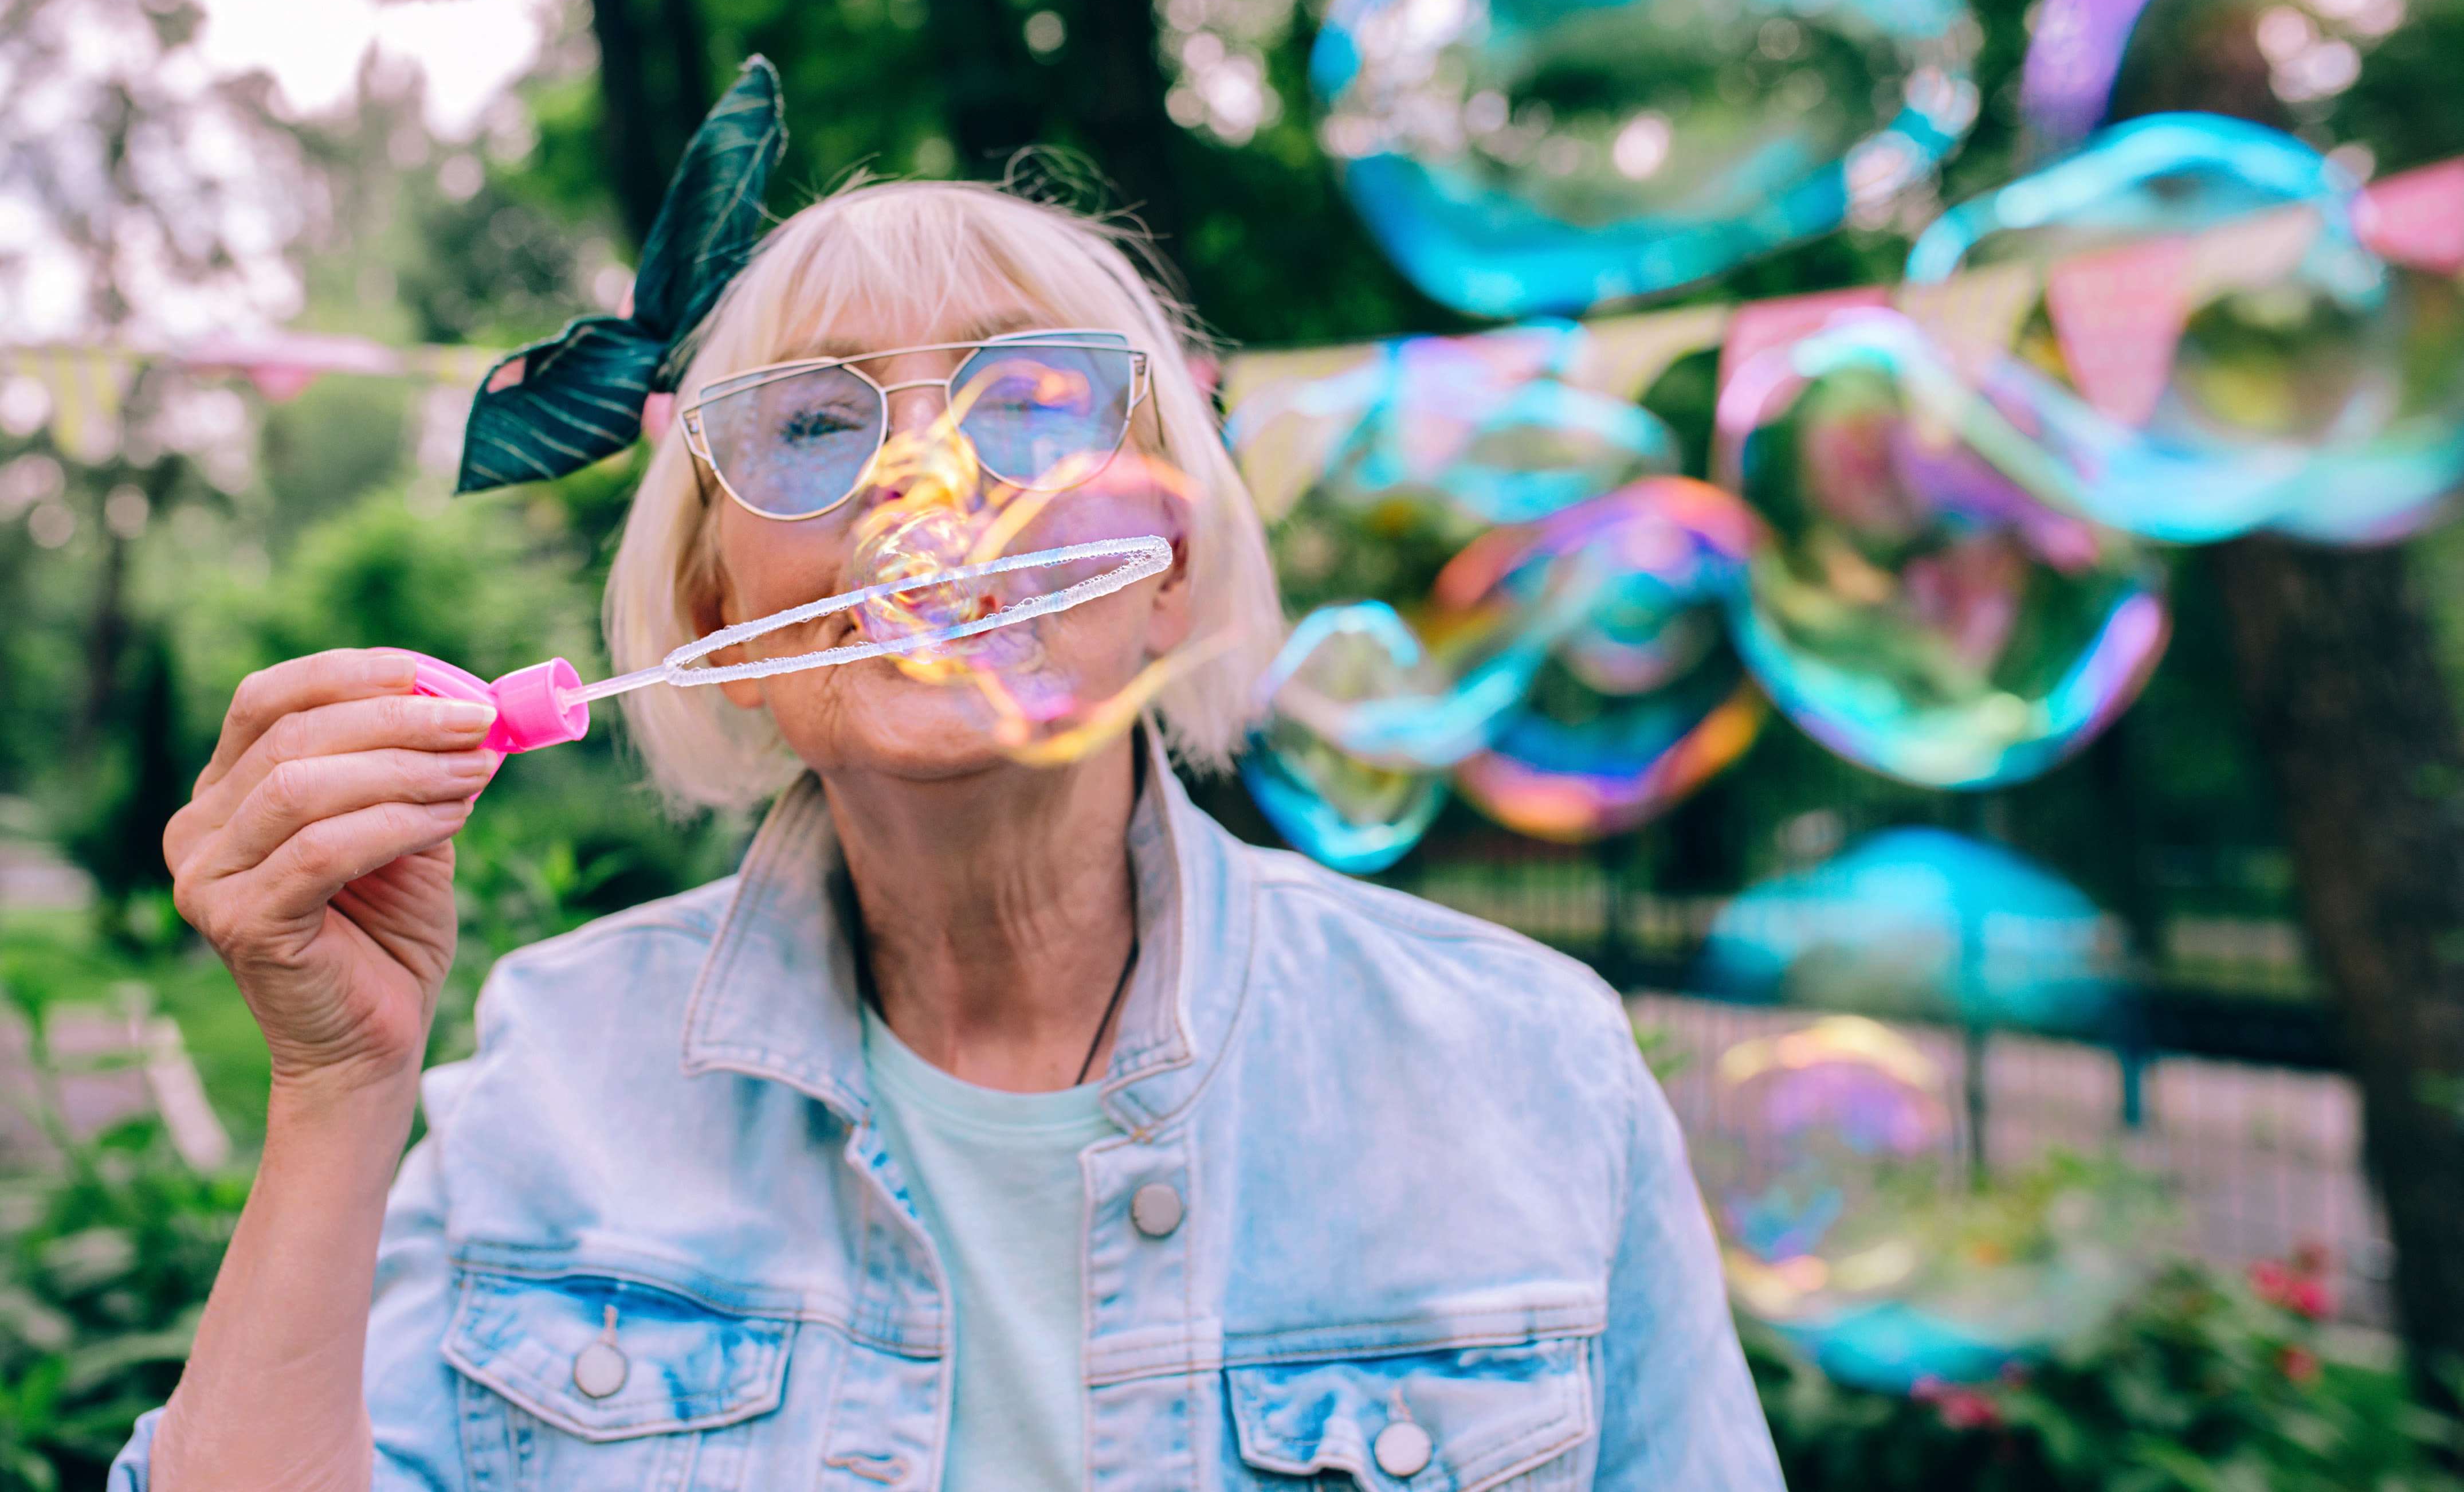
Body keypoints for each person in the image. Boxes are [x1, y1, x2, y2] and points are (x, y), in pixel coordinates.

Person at [113, 71, 1783, 1491]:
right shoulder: (557, 1069)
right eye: (814, 424)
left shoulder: (1523, 1063)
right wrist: (338, 1089)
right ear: (710, 598)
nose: (924, 476)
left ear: (1168, 571)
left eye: (1034, 401)